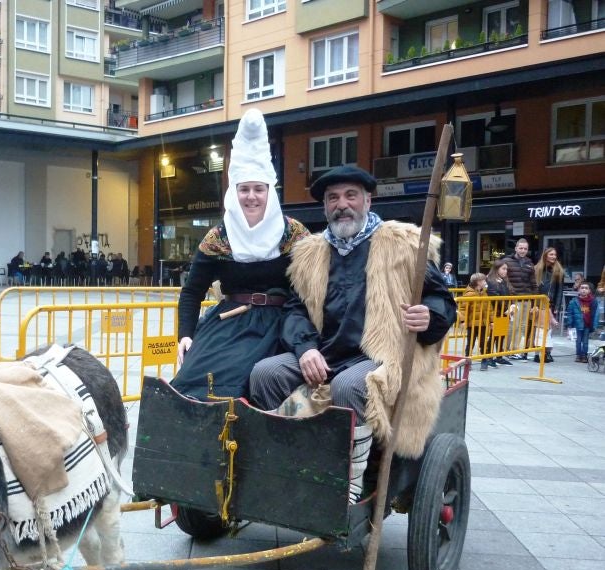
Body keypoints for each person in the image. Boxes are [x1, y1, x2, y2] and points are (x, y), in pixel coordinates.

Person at [248, 165, 456, 502]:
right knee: (264, 373)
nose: (342, 204)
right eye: (333, 198)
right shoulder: (309, 253)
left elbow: (440, 298)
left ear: (368, 201)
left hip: (383, 355)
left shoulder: (402, 243)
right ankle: (293, 461)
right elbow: (295, 310)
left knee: (349, 386)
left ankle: (346, 483)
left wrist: (429, 314)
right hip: (326, 354)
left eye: (350, 196)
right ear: (325, 207)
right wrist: (305, 350)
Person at [171, 109, 309, 401]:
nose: (251, 196)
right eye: (244, 189)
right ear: (234, 193)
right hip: (228, 322)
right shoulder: (219, 237)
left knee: (241, 378)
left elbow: (313, 289)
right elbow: (192, 291)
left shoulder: (294, 234)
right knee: (192, 377)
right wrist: (185, 334)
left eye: (259, 189)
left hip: (280, 324)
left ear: (270, 192)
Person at [501, 239, 537, 360]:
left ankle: (515, 350)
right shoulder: (506, 261)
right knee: (512, 325)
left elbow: (533, 283)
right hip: (513, 298)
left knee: (522, 326)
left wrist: (534, 301)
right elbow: (502, 277)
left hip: (527, 298)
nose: (523, 251)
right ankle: (505, 350)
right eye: (520, 248)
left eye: (525, 249)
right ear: (516, 248)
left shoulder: (529, 263)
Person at [534, 247, 563, 363]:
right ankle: (537, 354)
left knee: (549, 330)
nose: (553, 257)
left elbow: (559, 290)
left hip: (551, 303)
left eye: (555, 255)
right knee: (538, 330)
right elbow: (535, 287)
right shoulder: (537, 269)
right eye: (551, 254)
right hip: (539, 302)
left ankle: (547, 353)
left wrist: (557, 306)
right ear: (545, 255)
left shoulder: (558, 271)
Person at [485, 259, 514, 367]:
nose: (506, 271)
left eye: (506, 269)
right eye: (503, 269)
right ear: (497, 269)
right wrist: (505, 308)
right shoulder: (490, 280)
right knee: (493, 335)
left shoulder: (503, 280)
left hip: (503, 312)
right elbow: (494, 297)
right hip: (495, 312)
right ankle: (488, 357)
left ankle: (499, 356)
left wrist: (511, 305)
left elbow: (509, 294)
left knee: (501, 334)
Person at [461, 273, 492, 370]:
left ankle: (484, 360)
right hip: (472, 324)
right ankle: (467, 361)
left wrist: (491, 321)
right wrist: (462, 321)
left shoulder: (484, 293)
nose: (485, 282)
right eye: (483, 280)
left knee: (483, 342)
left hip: (482, 323)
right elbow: (463, 309)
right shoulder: (469, 294)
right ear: (478, 282)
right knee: (470, 342)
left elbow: (489, 309)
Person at [564, 281, 600, 363]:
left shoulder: (593, 301)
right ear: (578, 290)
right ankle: (578, 355)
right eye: (582, 288)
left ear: (589, 291)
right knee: (578, 341)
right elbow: (570, 313)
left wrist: (594, 326)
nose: (584, 290)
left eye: (586, 288)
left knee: (585, 341)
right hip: (577, 325)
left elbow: (596, 314)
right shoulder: (574, 301)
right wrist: (569, 324)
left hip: (587, 325)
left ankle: (584, 355)